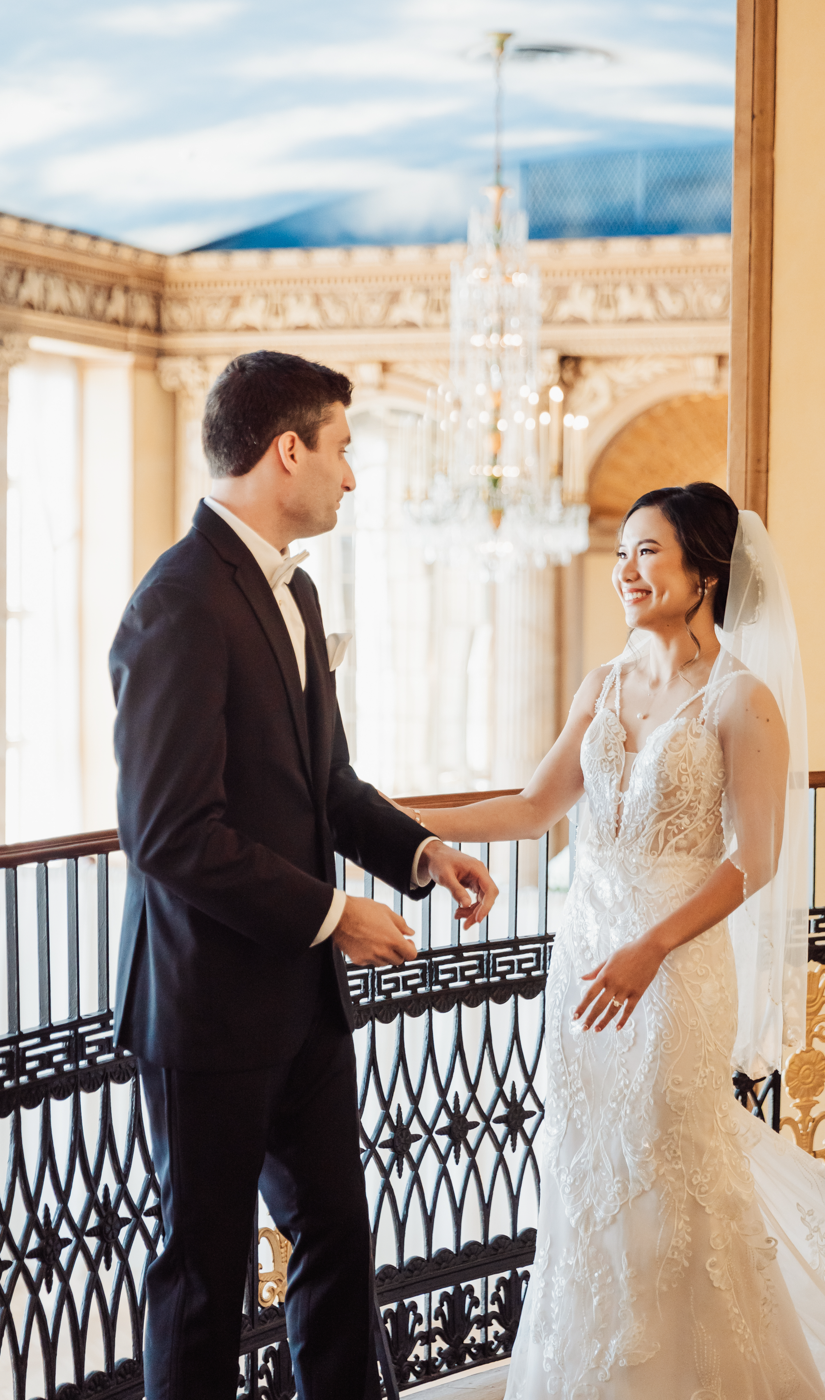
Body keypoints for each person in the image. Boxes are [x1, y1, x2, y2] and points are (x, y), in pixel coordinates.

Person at [410, 483, 825, 1399]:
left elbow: (755, 861)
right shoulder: (601, 685)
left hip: (674, 969)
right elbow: (534, 809)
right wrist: (379, 816)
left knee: (665, 1163)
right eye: (622, 553)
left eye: (649, 553)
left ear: (704, 574)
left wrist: (651, 947)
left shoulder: (741, 701)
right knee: (586, 1166)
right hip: (584, 965)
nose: (626, 571)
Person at [109, 350, 498, 1400]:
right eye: (344, 448)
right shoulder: (177, 602)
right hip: (207, 1009)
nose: (352, 476)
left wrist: (419, 850)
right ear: (290, 450)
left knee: (337, 1243)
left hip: (302, 1007)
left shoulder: (301, 587)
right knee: (203, 1281)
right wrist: (337, 914)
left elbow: (325, 781)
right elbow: (172, 831)